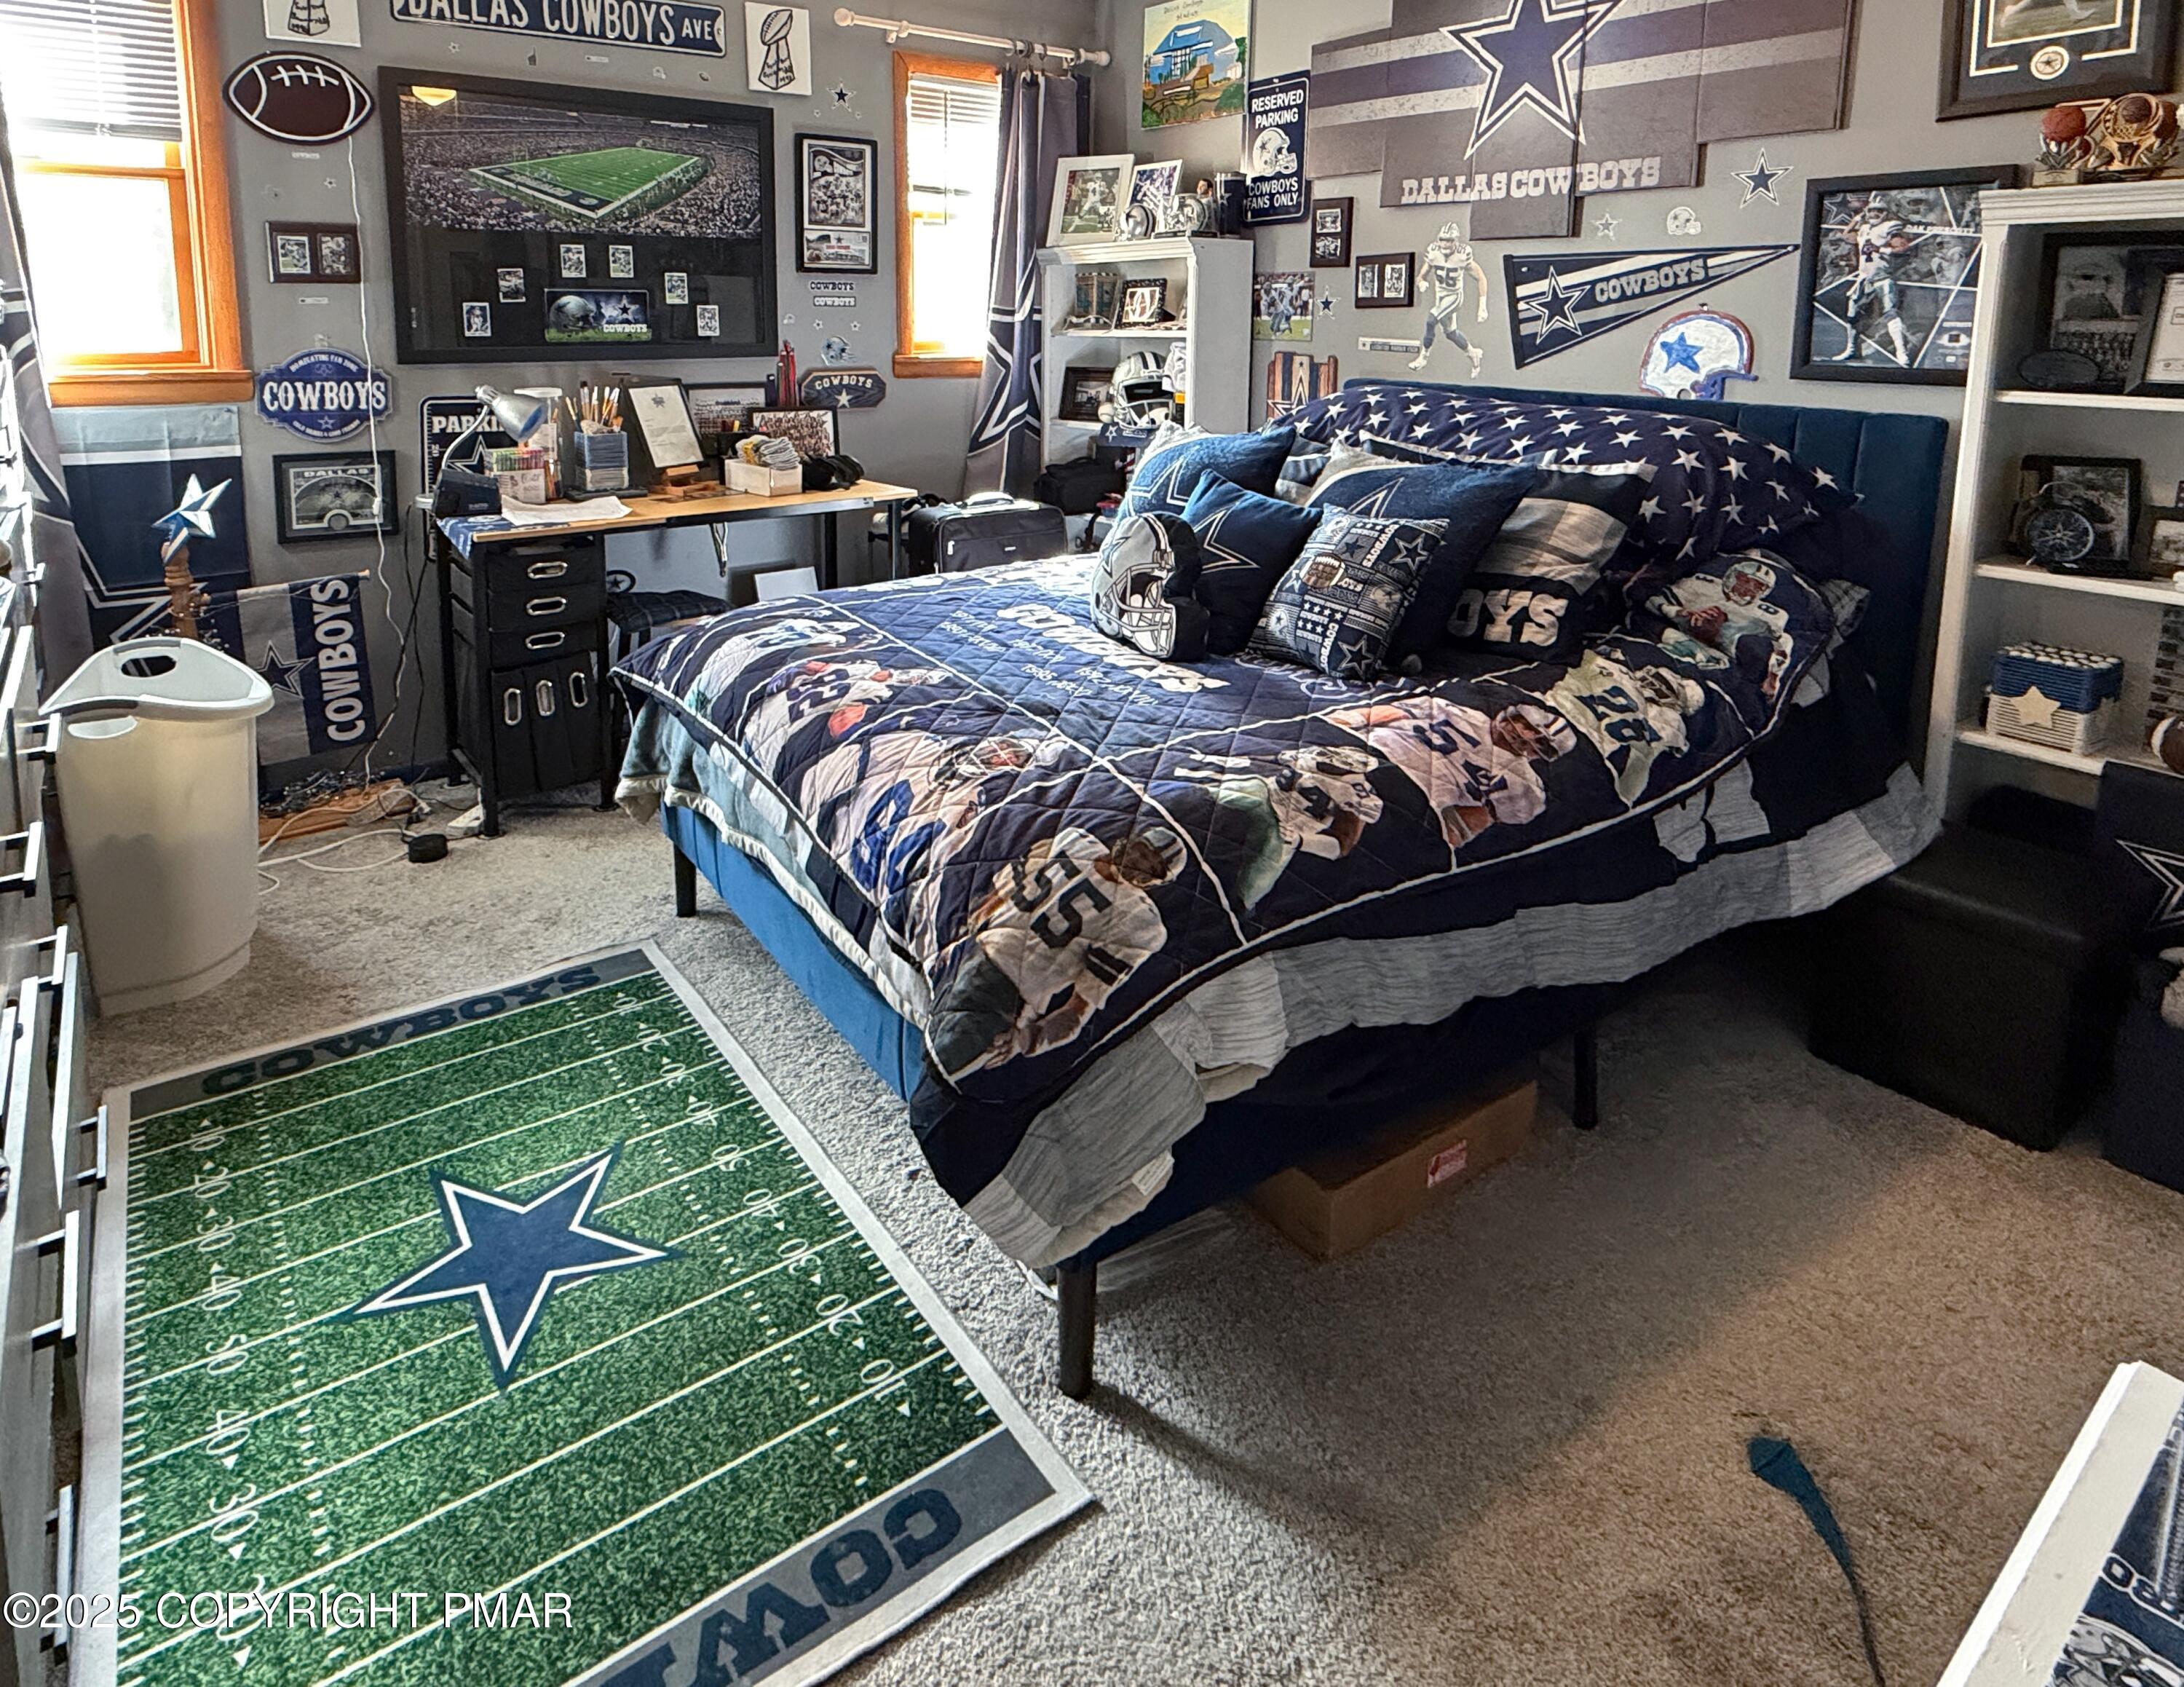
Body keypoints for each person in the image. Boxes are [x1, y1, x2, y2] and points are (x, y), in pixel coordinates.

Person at [928, 826, 1187, 1078]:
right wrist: (963, 937)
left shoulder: (1140, 922)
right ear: (1130, 839)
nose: (1138, 863)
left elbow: (1078, 1010)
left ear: (1157, 881)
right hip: (973, 954)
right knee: (929, 1045)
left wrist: (1026, 1039)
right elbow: (1000, 895)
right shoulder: (1074, 840)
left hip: (1007, 997)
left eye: (1151, 867)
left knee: (939, 1071)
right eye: (1141, 852)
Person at [1333, 697, 1575, 849]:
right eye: (1529, 727)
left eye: (1540, 743)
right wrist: (1338, 722)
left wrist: (1440, 842)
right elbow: (1392, 712)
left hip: (1414, 793)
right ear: (1517, 716)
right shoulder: (1455, 711)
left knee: (1352, 831)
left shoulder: (1524, 788)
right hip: (1367, 751)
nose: (1527, 737)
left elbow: (1476, 821)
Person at [1543, 650, 1707, 805]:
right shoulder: (1667, 720)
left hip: (1569, 721)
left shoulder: (1667, 718)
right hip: (1567, 718)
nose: (1654, 683)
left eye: (1666, 687)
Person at [1832, 195, 1919, 366]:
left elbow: (1903, 247)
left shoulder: (1889, 227)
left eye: (1879, 211)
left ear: (1885, 213)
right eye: (1872, 210)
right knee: (1852, 314)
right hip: (1864, 278)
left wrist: (1881, 249)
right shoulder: (1864, 228)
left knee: (1890, 314)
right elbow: (1846, 234)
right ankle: (1852, 349)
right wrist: (1858, 217)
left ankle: (1902, 353)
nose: (1874, 214)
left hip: (1882, 277)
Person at [1410, 223, 1489, 375]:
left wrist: (1482, 306)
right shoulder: (1433, 252)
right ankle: (1473, 354)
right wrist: (1421, 282)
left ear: (1456, 242)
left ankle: (1423, 357)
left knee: (1431, 321)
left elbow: (1481, 278)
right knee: (1451, 333)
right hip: (1441, 296)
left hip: (1454, 296)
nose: (1445, 244)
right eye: (1443, 240)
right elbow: (1422, 275)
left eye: (1449, 240)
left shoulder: (1462, 254)